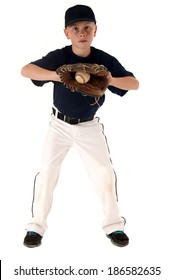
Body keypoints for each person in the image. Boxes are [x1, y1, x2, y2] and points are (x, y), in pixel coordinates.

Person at [21, 4, 139, 248]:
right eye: (75, 28)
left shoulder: (102, 60)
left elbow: (134, 84)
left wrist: (110, 79)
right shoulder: (61, 57)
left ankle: (114, 226)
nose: (81, 32)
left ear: (95, 30)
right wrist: (57, 74)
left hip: (89, 127)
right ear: (67, 33)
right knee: (47, 173)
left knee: (104, 173)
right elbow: (26, 70)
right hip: (59, 124)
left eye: (87, 27)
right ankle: (36, 227)